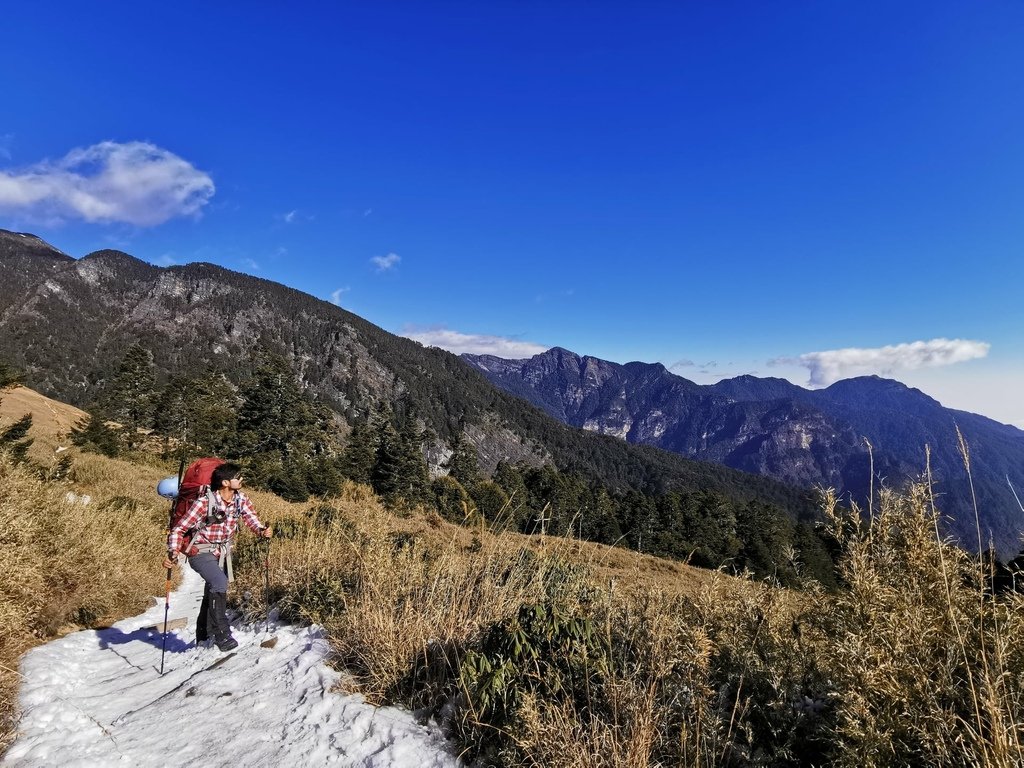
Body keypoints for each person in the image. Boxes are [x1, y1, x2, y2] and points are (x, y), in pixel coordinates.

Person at [163, 463, 272, 651]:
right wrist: (173, 552)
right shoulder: (204, 502)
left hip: (222, 552)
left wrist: (262, 531)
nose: (242, 480)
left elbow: (251, 519)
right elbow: (179, 528)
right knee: (219, 582)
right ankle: (223, 636)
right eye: (238, 477)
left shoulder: (241, 499)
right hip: (200, 551)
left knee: (212, 589)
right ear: (225, 482)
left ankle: (203, 635)